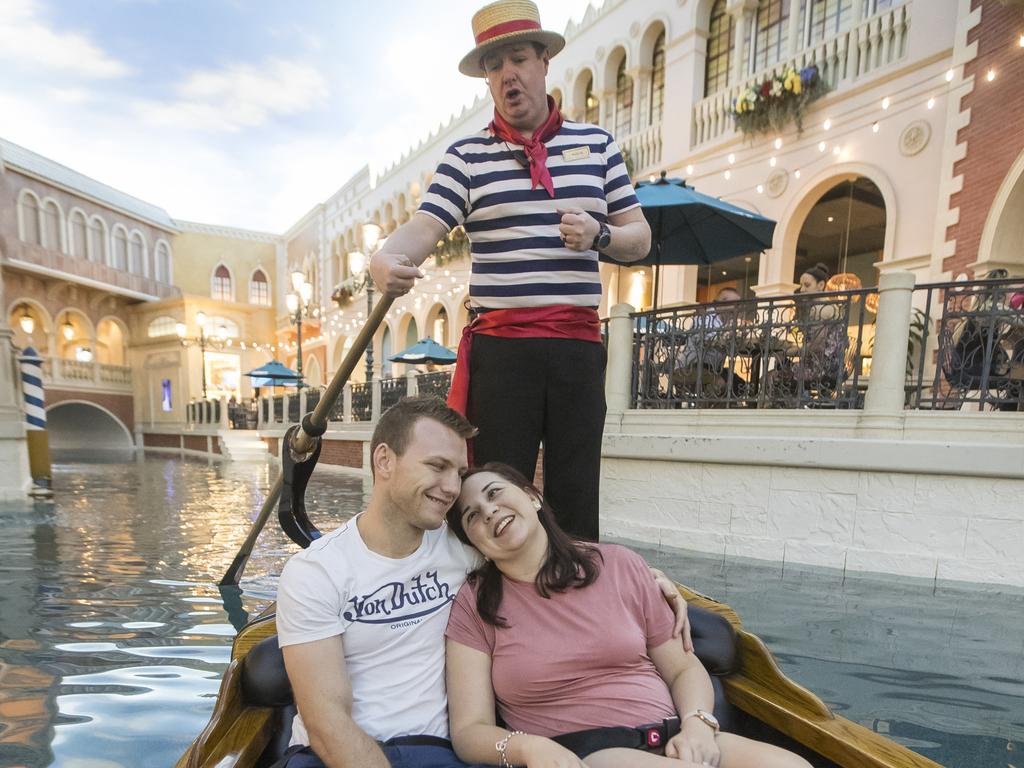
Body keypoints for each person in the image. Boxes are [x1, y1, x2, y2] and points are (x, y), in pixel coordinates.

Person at [275, 396, 689, 768]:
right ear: (384, 460)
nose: (452, 487)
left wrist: (655, 582)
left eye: (457, 471)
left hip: (437, 752)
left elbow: (545, 557)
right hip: (329, 756)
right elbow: (326, 717)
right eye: (436, 467)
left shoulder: (466, 546)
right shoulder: (316, 572)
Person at [370, 0, 652, 542]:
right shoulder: (466, 158)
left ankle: (574, 602)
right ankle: (494, 609)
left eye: (517, 58)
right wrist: (383, 258)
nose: (507, 75)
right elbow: (424, 228)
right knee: (493, 488)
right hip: (502, 355)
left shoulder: (597, 145)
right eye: (494, 67)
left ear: (544, 61)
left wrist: (601, 236)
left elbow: (638, 236)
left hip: (576, 348)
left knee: (576, 491)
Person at [444, 462, 812, 768]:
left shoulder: (619, 565)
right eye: (472, 515)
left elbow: (682, 667)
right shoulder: (474, 605)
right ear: (476, 545)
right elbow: (469, 730)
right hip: (584, 753)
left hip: (671, 736)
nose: (489, 510)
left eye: (494, 493)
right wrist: (526, 747)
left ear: (533, 496)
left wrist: (698, 725)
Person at [767, 263, 847, 404]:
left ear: (821, 285)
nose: (802, 290)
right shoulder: (831, 307)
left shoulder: (819, 309)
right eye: (801, 285)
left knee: (770, 376)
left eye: (807, 285)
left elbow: (817, 346)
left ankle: (777, 412)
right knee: (783, 370)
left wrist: (792, 351)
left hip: (820, 369)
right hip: (835, 367)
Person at [671, 287, 747, 404]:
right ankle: (704, 413)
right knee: (720, 382)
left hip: (712, 369)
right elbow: (706, 340)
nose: (738, 307)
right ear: (721, 304)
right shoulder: (704, 317)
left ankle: (719, 416)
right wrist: (729, 336)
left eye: (738, 304)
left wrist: (738, 338)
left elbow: (731, 347)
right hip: (688, 368)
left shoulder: (727, 322)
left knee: (740, 385)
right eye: (735, 304)